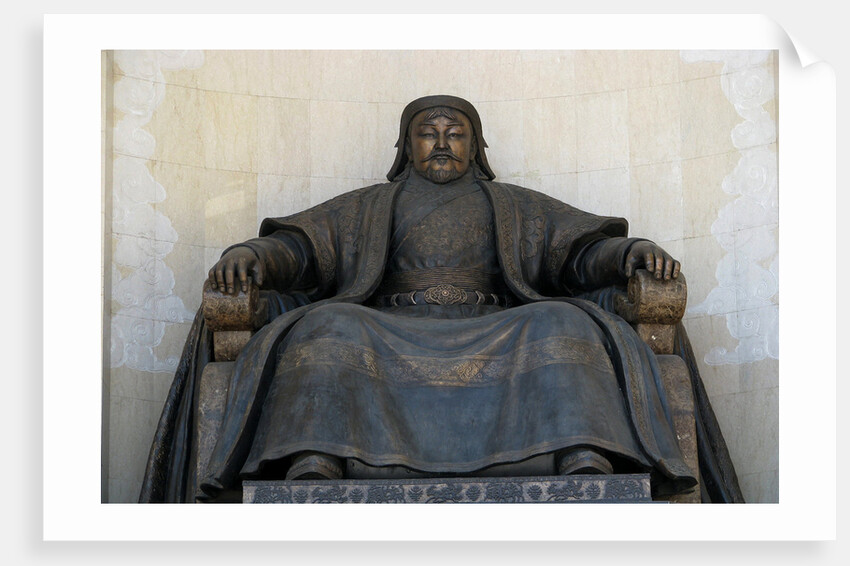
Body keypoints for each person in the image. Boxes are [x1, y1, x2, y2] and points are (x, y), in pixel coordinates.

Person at [140, 95, 743, 503]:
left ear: (477, 145)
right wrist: (252, 253)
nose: (442, 142)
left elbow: (580, 254)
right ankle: (315, 458)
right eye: (427, 133)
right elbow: (301, 249)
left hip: (494, 323)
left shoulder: (511, 204)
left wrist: (630, 251)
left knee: (561, 320)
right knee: (329, 328)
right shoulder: (369, 205)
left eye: (455, 133)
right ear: (405, 145)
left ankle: (580, 455)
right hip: (388, 326)